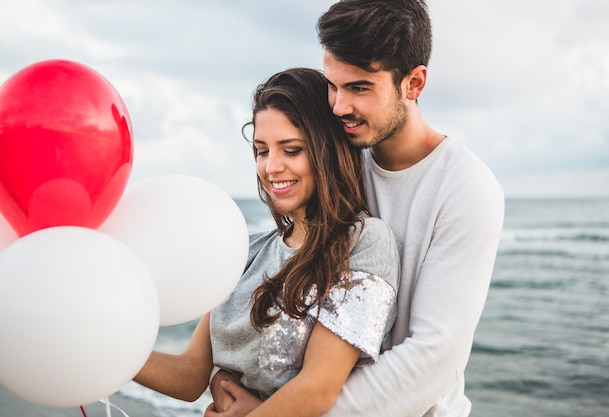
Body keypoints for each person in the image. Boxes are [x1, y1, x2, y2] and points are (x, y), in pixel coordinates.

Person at [208, 1, 505, 416]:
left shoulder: (466, 189)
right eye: (333, 84)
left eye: (359, 87)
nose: (338, 106)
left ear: (414, 83)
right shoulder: (337, 161)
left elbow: (433, 357)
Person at [134, 67, 400, 417]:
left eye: (290, 150)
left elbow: (318, 389)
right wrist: (104, 355)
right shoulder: (244, 252)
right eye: (262, 151)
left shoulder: (362, 242)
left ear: (329, 150)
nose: (271, 167)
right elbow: (190, 376)